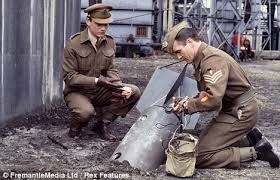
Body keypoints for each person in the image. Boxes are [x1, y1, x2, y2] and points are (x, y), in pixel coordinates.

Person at [162, 21, 279, 168]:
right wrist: (185, 102)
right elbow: (208, 93)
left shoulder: (211, 60)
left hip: (241, 112)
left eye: (179, 51)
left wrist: (188, 105)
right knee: (201, 141)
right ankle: (249, 138)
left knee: (199, 156)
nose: (178, 57)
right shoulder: (202, 58)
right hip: (234, 109)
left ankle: (257, 152)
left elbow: (213, 99)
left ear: (190, 42)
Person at [63, 3, 141, 141]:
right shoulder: (73, 44)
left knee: (133, 91)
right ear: (88, 21)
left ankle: (103, 124)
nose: (103, 28)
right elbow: (70, 77)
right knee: (85, 112)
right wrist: (96, 81)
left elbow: (110, 68)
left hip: (100, 89)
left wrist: (118, 86)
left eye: (106, 24)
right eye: (99, 24)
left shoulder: (109, 42)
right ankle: (75, 127)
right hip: (77, 91)